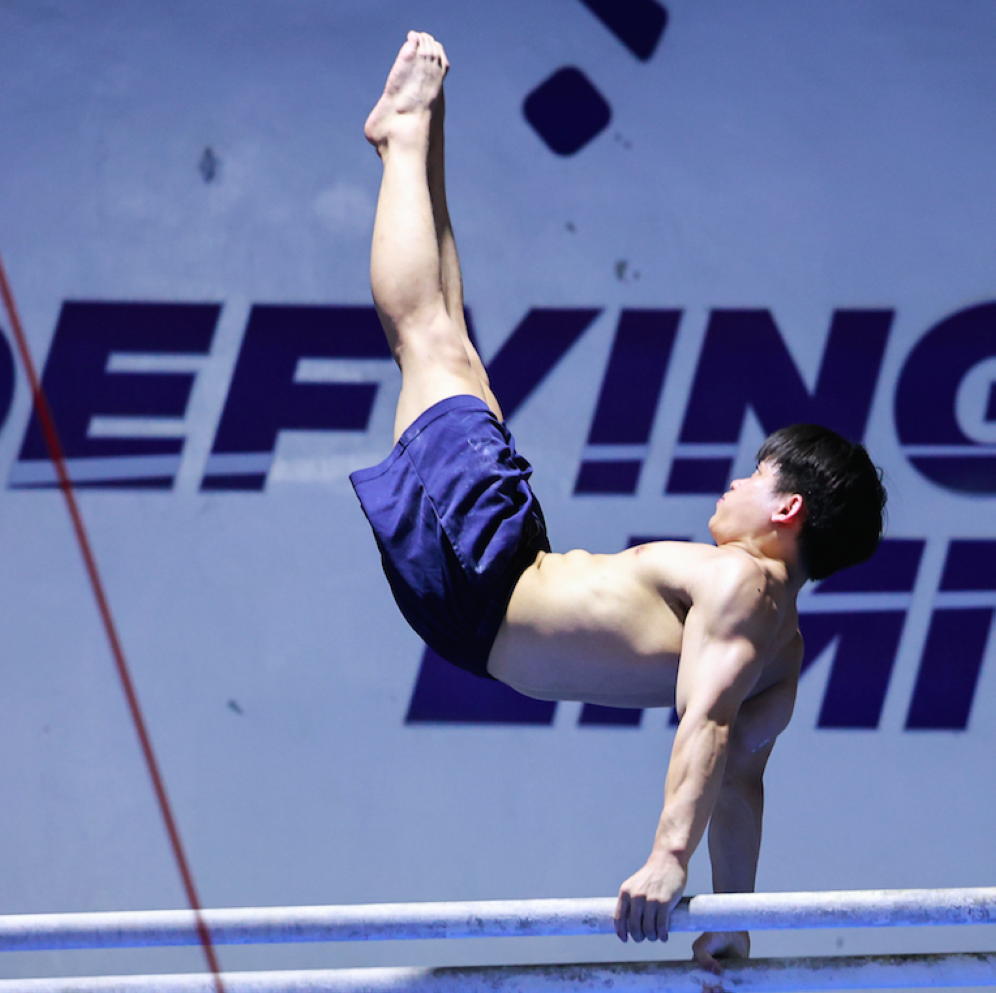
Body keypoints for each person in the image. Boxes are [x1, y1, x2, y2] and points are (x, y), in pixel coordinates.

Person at [349, 31, 887, 970]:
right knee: (453, 350)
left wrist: (674, 865)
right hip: (486, 605)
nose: (735, 481)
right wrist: (734, 917)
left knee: (432, 340)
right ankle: (416, 143)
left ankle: (407, 140)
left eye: (758, 475)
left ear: (789, 511)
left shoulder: (745, 591)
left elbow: (714, 744)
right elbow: (737, 779)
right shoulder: (784, 654)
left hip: (489, 580)